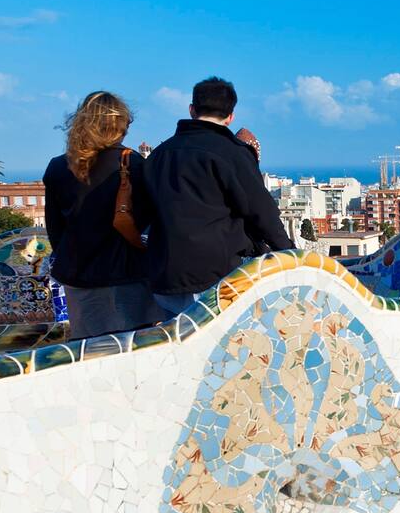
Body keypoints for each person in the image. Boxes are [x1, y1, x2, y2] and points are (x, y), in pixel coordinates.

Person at [143, 76, 292, 314]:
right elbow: (260, 211)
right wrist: (290, 254)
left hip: (164, 276)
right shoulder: (232, 153)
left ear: (192, 110)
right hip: (215, 276)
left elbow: (143, 213)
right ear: (230, 116)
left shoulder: (159, 155)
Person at [43, 91, 161, 339]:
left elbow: (55, 230)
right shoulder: (131, 164)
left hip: (79, 278)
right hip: (126, 277)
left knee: (89, 353)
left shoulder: (57, 167)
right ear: (119, 125)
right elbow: (149, 222)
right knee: (132, 352)